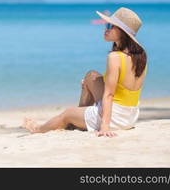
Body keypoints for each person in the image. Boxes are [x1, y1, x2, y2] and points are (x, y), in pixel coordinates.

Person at [23, 7, 148, 137]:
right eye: (106, 24)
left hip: (114, 118)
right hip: (130, 116)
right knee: (91, 76)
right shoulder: (141, 54)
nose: (106, 28)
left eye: (110, 25)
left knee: (66, 114)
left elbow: (109, 95)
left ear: (122, 32)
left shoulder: (115, 57)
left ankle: (38, 128)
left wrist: (105, 126)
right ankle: (78, 117)